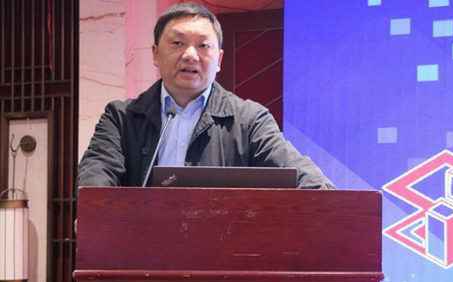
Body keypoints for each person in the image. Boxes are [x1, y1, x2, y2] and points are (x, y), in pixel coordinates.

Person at [78, 2, 334, 189]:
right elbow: (97, 174)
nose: (190, 55)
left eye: (203, 45)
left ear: (219, 60)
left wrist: (330, 203)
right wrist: (95, 211)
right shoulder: (121, 117)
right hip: (140, 243)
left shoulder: (249, 120)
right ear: (155, 54)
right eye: (177, 43)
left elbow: (299, 174)